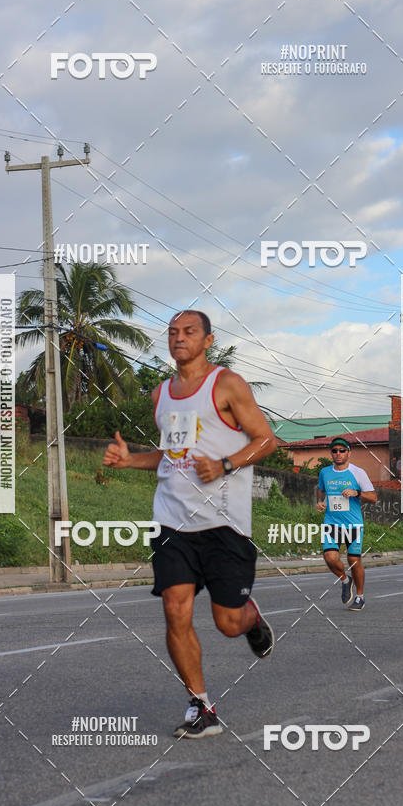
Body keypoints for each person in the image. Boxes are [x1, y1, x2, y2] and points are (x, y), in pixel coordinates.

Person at [103, 310, 277, 738]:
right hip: (171, 522)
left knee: (227, 622)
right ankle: (201, 706)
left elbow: (268, 439)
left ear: (208, 340)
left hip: (224, 524)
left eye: (189, 332)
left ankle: (252, 622)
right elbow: (171, 455)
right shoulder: (161, 393)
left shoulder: (227, 384)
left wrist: (225, 464)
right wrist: (129, 460)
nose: (179, 338)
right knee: (174, 609)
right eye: (173, 333)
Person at [316, 437, 377, 611]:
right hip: (332, 522)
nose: (338, 454)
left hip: (353, 525)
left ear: (349, 453)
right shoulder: (325, 472)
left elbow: (373, 497)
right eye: (334, 451)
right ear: (331, 453)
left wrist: (356, 492)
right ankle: (345, 579)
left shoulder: (358, 472)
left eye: (342, 450)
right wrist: (320, 501)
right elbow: (320, 488)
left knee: (353, 560)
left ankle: (360, 596)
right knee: (330, 557)